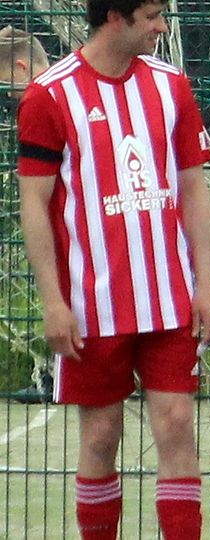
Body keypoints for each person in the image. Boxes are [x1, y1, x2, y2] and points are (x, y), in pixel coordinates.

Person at [16, 0, 210, 538]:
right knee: (101, 435)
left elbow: (195, 189)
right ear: (114, 16)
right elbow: (34, 203)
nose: (161, 27)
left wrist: (206, 285)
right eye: (151, 15)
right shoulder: (49, 94)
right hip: (92, 305)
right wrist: (53, 301)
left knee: (177, 424)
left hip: (170, 298)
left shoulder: (171, 86)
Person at [0, 25, 55, 405]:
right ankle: (59, 373)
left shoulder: (43, 100)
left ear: (21, 67)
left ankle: (62, 375)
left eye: (7, 85)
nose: (8, 96)